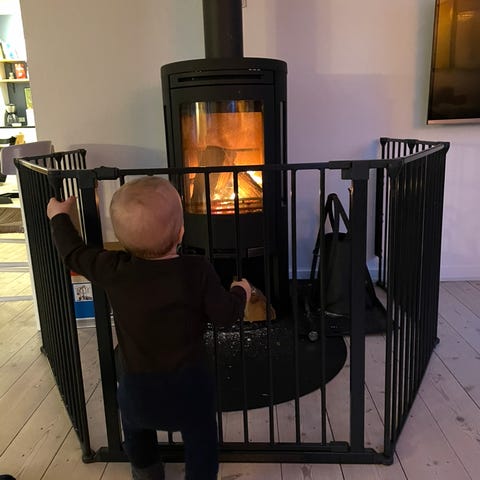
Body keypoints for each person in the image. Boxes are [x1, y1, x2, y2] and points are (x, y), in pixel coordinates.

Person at [47, 176, 251, 480]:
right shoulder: (196, 270)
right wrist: (240, 291)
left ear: (121, 238)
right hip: (190, 389)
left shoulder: (114, 268)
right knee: (202, 440)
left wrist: (59, 216)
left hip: (137, 389)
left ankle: (147, 473)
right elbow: (225, 315)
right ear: (181, 231)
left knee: (136, 433)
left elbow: (73, 253)